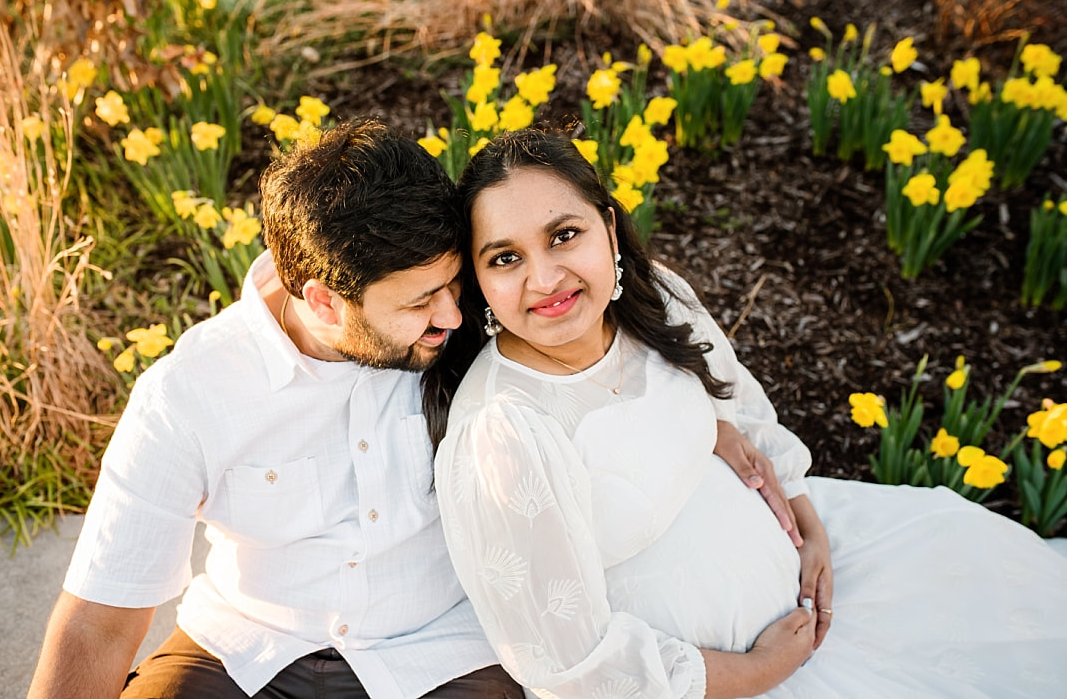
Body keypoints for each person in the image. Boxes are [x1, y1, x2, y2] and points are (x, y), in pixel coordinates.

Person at [426, 129, 1067, 698]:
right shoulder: (502, 432)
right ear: (479, 281)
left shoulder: (657, 299)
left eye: (565, 235)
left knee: (988, 599)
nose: (545, 278)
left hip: (807, 584)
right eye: (505, 257)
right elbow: (570, 665)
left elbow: (741, 406)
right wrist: (760, 671)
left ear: (610, 231)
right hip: (714, 683)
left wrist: (809, 525)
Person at [27, 118, 525, 699]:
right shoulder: (188, 394)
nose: (452, 317)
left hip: (438, 653)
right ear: (324, 301)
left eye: (453, 285)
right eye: (419, 303)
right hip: (243, 651)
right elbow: (98, 622)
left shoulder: (475, 334)